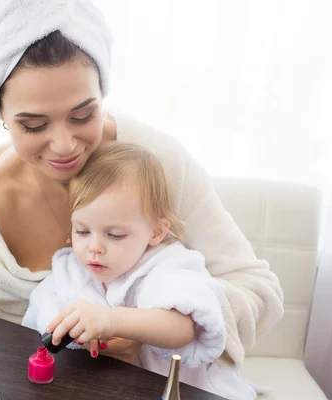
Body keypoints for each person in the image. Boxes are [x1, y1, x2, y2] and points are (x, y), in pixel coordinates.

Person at [0, 0, 283, 371]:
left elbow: (257, 289)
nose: (64, 146)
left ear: (102, 93)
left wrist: (148, 332)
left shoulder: (158, 162)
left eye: (83, 114)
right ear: (0, 113)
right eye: (33, 125)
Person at [22, 142, 256, 399]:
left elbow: (183, 328)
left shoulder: (168, 265)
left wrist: (109, 321)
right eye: (82, 231)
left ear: (155, 232)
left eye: (115, 234)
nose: (94, 248)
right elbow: (39, 321)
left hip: (175, 390)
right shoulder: (70, 270)